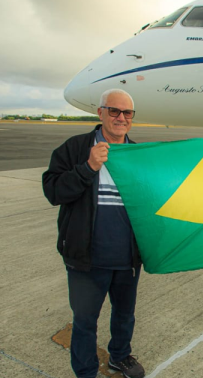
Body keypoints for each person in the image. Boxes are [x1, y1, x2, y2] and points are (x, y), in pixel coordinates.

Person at [42, 89, 145, 378]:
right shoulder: (75, 148)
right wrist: (88, 167)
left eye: (127, 113)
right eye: (114, 111)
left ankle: (119, 357)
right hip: (86, 258)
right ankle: (86, 371)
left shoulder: (137, 155)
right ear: (100, 113)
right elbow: (53, 191)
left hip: (127, 259)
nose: (121, 118)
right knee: (85, 320)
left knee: (124, 316)